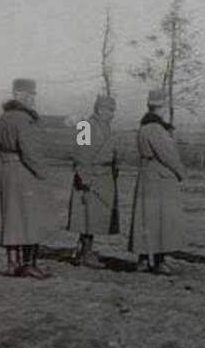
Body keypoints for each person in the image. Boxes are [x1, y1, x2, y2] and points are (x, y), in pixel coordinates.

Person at [0, 78, 51, 278]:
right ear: (26, 95)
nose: (33, 99)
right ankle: (29, 264)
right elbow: (30, 152)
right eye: (32, 95)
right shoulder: (24, 120)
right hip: (24, 172)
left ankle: (12, 263)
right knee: (30, 218)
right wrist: (43, 173)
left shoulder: (3, 118)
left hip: (6, 171)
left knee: (11, 218)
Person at [128, 89, 188, 275]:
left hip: (148, 176)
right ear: (161, 106)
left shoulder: (145, 126)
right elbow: (169, 155)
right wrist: (181, 172)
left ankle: (144, 259)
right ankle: (161, 261)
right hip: (161, 178)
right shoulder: (156, 129)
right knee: (162, 219)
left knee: (146, 218)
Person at [68, 94, 120, 268]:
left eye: (113, 110)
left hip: (104, 177)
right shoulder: (85, 126)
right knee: (87, 218)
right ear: (99, 109)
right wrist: (85, 180)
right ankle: (85, 253)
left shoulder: (106, 127)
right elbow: (80, 156)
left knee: (96, 218)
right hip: (91, 178)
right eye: (110, 110)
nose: (113, 114)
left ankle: (83, 250)